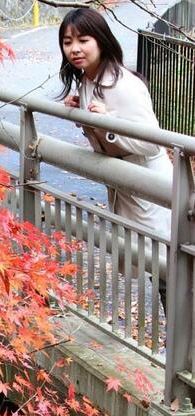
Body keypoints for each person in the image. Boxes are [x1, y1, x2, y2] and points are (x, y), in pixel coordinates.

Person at [57, 8, 172, 311]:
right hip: (129, 186)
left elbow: (150, 142)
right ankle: (180, 351)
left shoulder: (124, 85)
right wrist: (84, 117)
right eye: (68, 42)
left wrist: (107, 126)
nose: (75, 49)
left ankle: (182, 352)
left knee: (167, 269)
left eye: (83, 40)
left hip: (150, 185)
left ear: (101, 41)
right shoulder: (87, 81)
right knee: (158, 267)